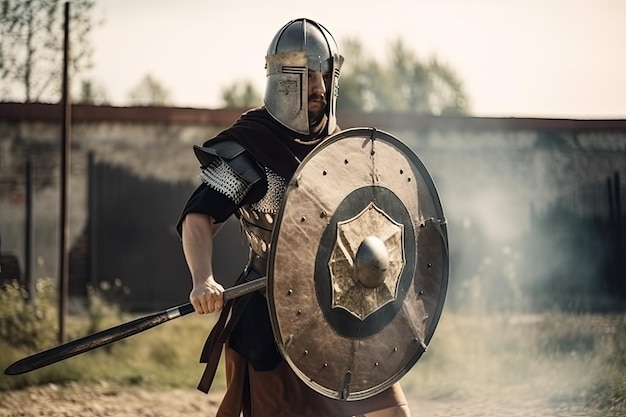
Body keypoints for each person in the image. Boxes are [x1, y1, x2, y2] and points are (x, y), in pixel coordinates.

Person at [177, 18, 411, 417]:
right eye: (307, 77)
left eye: (324, 76)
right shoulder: (250, 148)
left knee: (392, 412)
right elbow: (198, 217)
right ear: (283, 82)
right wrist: (203, 279)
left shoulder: (342, 150)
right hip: (270, 321)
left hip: (340, 312)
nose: (318, 88)